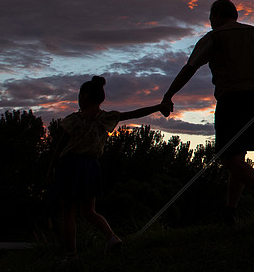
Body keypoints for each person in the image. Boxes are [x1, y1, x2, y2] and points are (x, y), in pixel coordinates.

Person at [161, 0, 254, 225]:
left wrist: (168, 95)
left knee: (226, 155)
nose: (210, 22)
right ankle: (229, 212)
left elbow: (189, 68)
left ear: (219, 16)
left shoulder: (215, 37)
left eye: (211, 17)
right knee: (238, 155)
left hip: (232, 97)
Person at [50, 76, 170, 261]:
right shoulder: (105, 118)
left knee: (68, 212)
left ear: (85, 96)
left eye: (80, 94)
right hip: (91, 167)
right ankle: (111, 237)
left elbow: (59, 146)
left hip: (71, 166)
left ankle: (71, 255)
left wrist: (51, 167)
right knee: (89, 211)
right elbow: (134, 114)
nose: (78, 98)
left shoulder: (73, 120)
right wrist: (158, 107)